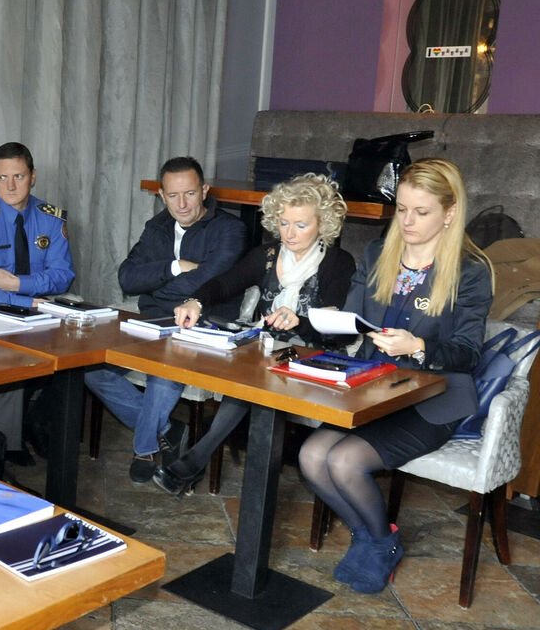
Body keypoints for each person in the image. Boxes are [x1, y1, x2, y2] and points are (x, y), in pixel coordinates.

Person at [299, 159, 492, 594]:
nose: (407, 221)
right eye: (402, 209)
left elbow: (467, 354)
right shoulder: (377, 254)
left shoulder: (471, 271)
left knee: (344, 461)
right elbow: (352, 321)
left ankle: (377, 544)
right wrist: (322, 320)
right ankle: (373, 538)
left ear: (450, 212)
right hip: (377, 389)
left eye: (421, 212)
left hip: (436, 399)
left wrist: (418, 346)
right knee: (311, 457)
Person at [153, 173, 356, 495]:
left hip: (314, 356)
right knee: (249, 374)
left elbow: (339, 333)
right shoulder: (268, 255)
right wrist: (196, 301)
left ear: (323, 224)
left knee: (253, 377)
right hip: (269, 353)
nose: (289, 233)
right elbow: (225, 283)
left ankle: (193, 463)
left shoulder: (338, 263)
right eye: (284, 223)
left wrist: (300, 321)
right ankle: (194, 463)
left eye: (301, 225)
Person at [83, 156, 247, 483]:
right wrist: (174, 267)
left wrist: (157, 284)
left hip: (202, 323)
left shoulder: (230, 229)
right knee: (92, 370)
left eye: (189, 194)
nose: (181, 204)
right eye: (173, 196)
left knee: (162, 372)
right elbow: (127, 278)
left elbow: (208, 281)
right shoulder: (156, 227)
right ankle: (170, 429)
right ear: (161, 195)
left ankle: (144, 449)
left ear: (204, 191)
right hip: (153, 319)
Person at [0, 142, 72, 460]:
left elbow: (64, 276)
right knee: (11, 352)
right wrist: (26, 301)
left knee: (80, 352)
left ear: (33, 176)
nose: (10, 186)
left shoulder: (51, 218)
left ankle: (38, 420)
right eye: (2, 177)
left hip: (42, 304)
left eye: (18, 176)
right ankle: (6, 445)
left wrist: (20, 283)